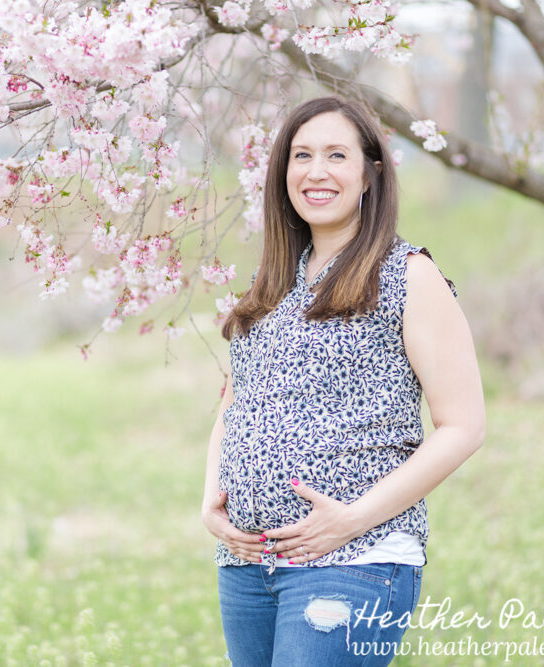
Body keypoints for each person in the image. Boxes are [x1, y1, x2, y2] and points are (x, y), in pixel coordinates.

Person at [200, 96, 486, 666]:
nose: (316, 171)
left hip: (356, 559)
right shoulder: (271, 283)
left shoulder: (407, 275)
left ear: (370, 173)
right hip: (248, 566)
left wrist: (352, 519)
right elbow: (235, 403)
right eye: (301, 156)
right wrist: (212, 501)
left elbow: (464, 426)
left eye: (336, 154)